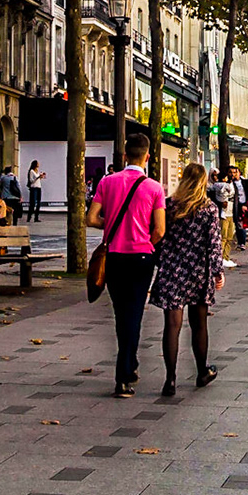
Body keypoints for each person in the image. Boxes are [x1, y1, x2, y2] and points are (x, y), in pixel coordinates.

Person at [87, 134, 167, 398]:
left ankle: (129, 365)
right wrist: (146, 239)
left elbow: (91, 218)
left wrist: (109, 226)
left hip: (114, 256)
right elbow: (160, 229)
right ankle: (124, 374)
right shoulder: (154, 188)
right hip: (141, 257)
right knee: (134, 314)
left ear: (124, 156)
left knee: (122, 314)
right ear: (147, 157)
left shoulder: (107, 182)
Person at [148, 162, 224, 395]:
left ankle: (170, 380)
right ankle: (202, 371)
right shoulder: (208, 209)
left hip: (172, 271)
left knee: (172, 325)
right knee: (199, 324)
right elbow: (213, 245)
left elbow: (158, 237)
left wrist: (162, 262)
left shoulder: (169, 206)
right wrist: (217, 272)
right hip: (198, 272)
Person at [207, 167, 236, 263]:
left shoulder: (230, 185)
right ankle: (220, 257)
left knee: (229, 237)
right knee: (223, 237)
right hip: (223, 213)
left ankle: (226, 256)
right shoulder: (214, 187)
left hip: (230, 212)